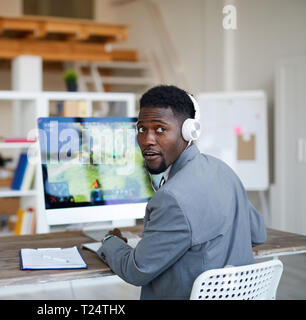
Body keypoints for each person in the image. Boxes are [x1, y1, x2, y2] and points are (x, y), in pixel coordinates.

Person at [96, 85, 267, 300]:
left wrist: (110, 242)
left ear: (189, 132)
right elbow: (258, 234)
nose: (147, 139)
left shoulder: (172, 198)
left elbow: (136, 270)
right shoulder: (224, 171)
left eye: (160, 129)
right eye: (141, 129)